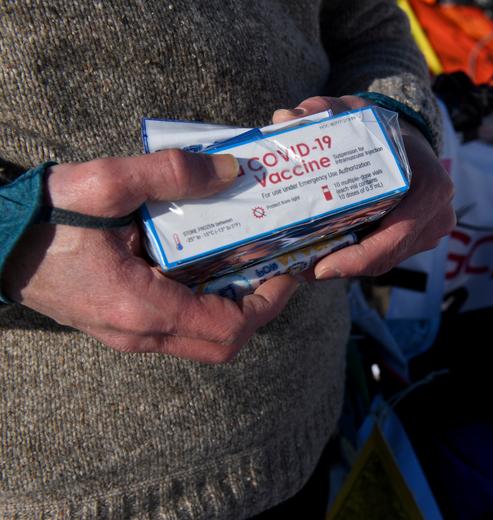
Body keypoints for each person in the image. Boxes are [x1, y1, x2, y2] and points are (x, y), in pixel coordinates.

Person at [0, 1, 454, 518]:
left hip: (308, 417)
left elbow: (369, 26)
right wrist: (15, 236)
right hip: (64, 484)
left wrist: (395, 124)